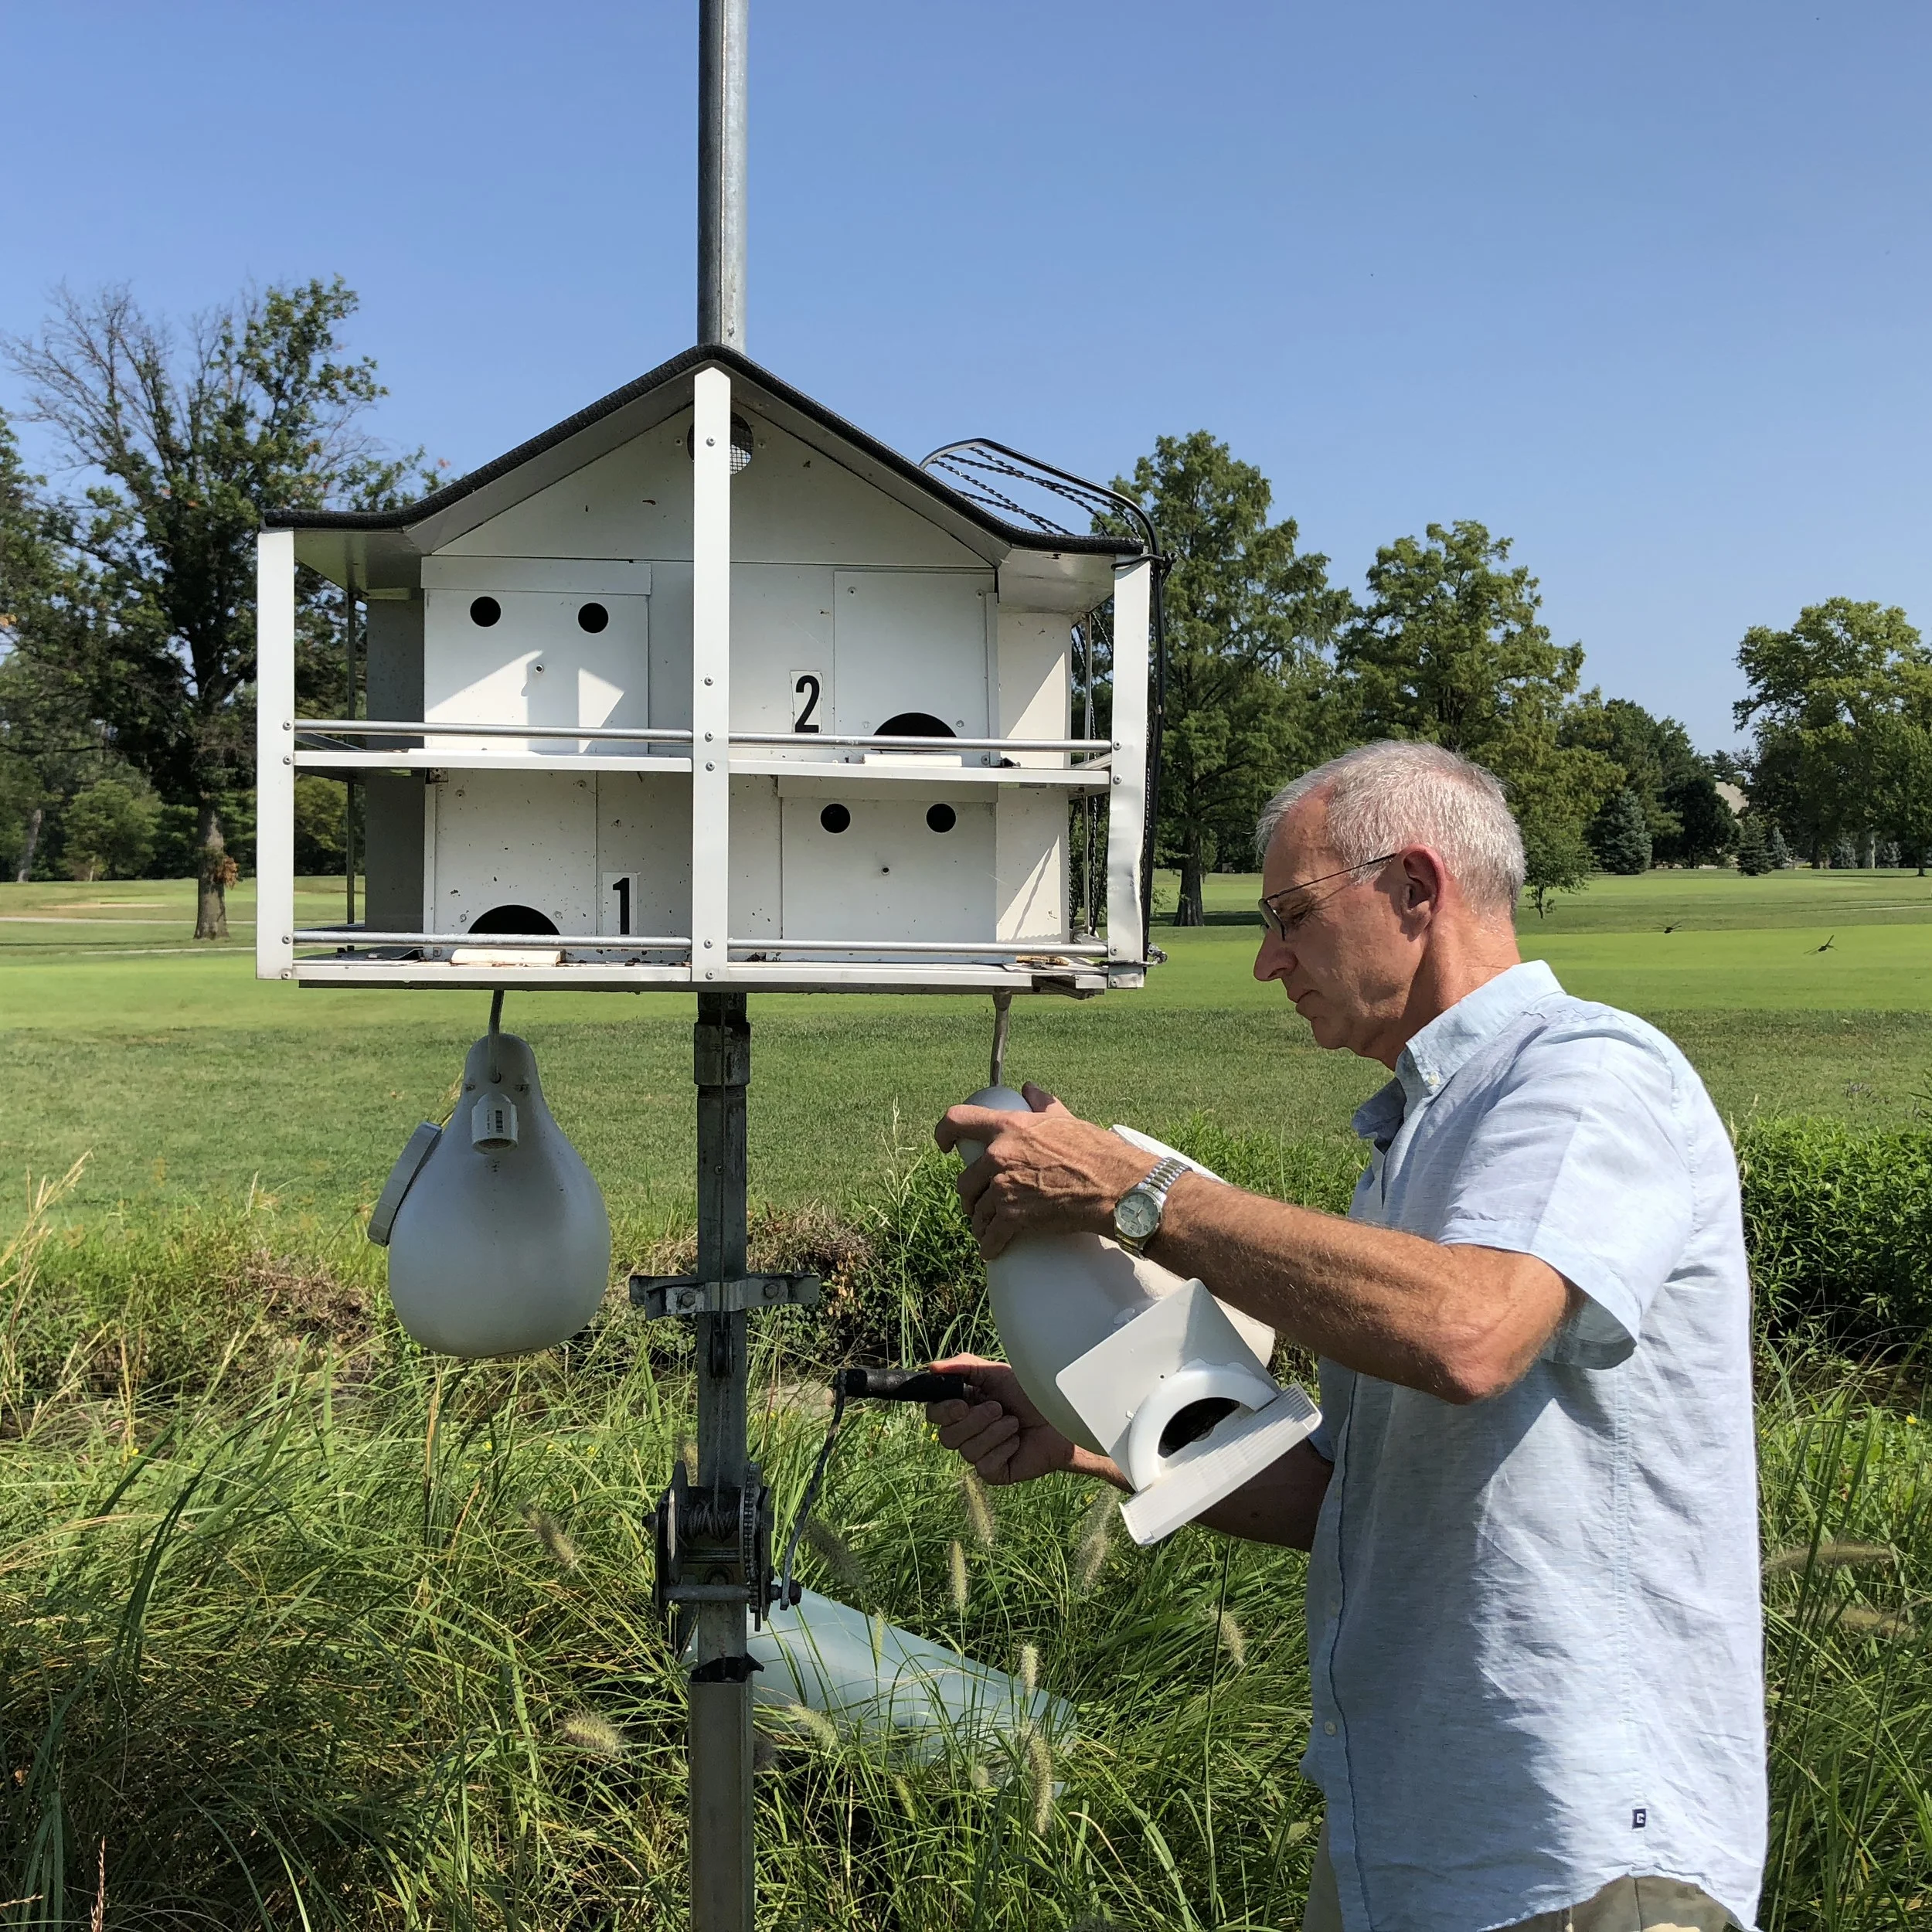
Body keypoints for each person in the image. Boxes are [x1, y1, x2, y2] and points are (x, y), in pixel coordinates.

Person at [928, 740, 1764, 1932]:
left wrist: (1139, 1192)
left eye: (1290, 915)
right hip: (1413, 1843)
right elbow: (1347, 1507)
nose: (1270, 960)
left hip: (1576, 1854)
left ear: (1417, 889)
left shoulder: (1586, 1074)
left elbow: (1472, 1332)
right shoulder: (1415, 1151)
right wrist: (1084, 1426)